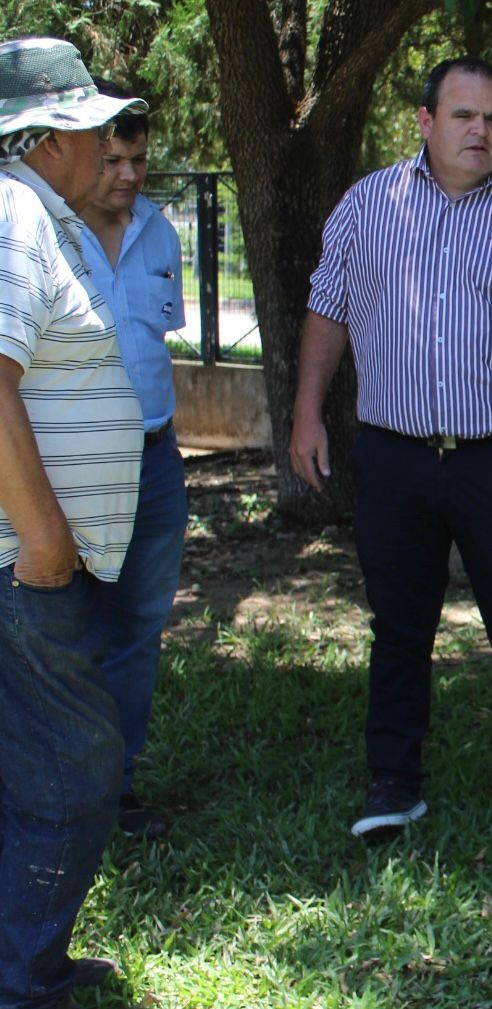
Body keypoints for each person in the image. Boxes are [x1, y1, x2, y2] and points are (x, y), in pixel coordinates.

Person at [289, 55, 492, 855]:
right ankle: (393, 786)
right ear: (426, 123)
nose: (481, 131)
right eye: (464, 116)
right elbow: (327, 309)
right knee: (398, 629)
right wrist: (305, 412)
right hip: (395, 459)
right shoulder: (370, 204)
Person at [0, 36, 148, 1009]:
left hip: (34, 556)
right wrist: (47, 535)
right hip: (23, 559)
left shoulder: (39, 214)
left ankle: (27, 961)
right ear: (46, 135)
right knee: (79, 764)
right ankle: (23, 977)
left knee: (39, 761)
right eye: (89, 124)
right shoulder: (15, 216)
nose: (106, 143)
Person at [78, 78, 188, 841]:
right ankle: (56, 794)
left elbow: (158, 339)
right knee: (62, 631)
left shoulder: (159, 232)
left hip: (155, 460)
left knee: (138, 631)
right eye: (111, 158)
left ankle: (113, 792)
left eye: (138, 160)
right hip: (71, 467)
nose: (126, 175)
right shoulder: (37, 233)